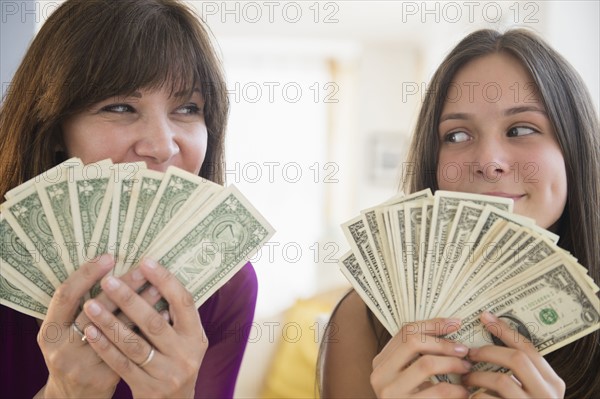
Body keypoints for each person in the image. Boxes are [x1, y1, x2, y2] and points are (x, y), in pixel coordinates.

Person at [320, 28, 599, 398]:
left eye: (520, 129)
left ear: (573, 148)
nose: (488, 162)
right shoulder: (361, 320)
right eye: (456, 135)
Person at [0, 1, 257, 398]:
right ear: (53, 131)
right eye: (120, 107)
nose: (162, 146)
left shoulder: (228, 285)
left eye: (188, 108)